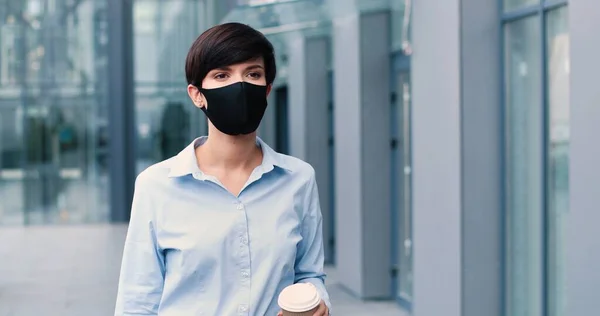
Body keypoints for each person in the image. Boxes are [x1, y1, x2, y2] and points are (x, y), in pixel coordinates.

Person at [114, 22, 331, 316]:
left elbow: (309, 275)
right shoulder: (156, 185)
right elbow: (137, 301)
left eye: (253, 74)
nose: (239, 85)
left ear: (267, 90)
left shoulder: (299, 179)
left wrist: (317, 303)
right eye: (221, 75)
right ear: (196, 94)